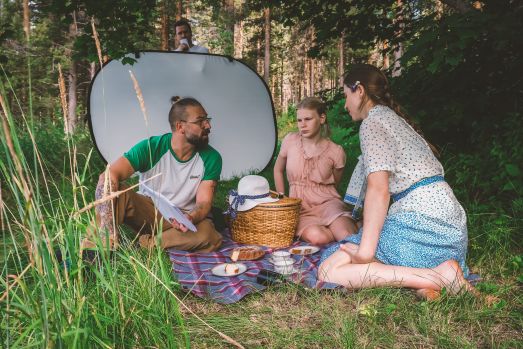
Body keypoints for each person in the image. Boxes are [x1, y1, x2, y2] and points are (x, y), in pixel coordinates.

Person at [318, 64, 475, 300]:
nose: (344, 104)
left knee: (330, 266)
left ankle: (438, 278)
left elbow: (379, 190)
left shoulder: (372, 123)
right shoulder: (394, 120)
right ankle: (425, 281)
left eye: (345, 95)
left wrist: (365, 251)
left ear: (359, 90)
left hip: (423, 227)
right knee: (352, 247)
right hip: (450, 234)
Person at [84, 96, 222, 253]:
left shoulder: (212, 158)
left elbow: (203, 203)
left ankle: (143, 246)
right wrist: (107, 226)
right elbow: (109, 175)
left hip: (184, 220)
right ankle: (95, 250)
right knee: (114, 189)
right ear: (180, 127)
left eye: (207, 119)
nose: (208, 125)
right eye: (200, 121)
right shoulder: (151, 148)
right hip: (149, 212)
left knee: (209, 235)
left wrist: (190, 218)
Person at [273, 97, 358, 246]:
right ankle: (345, 226)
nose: (302, 125)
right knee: (318, 238)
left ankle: (350, 225)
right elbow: (277, 170)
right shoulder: (290, 141)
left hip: (328, 204)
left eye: (308, 119)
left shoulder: (336, 151)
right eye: (299, 120)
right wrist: (283, 200)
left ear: (322, 118)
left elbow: (334, 184)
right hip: (299, 207)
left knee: (345, 235)